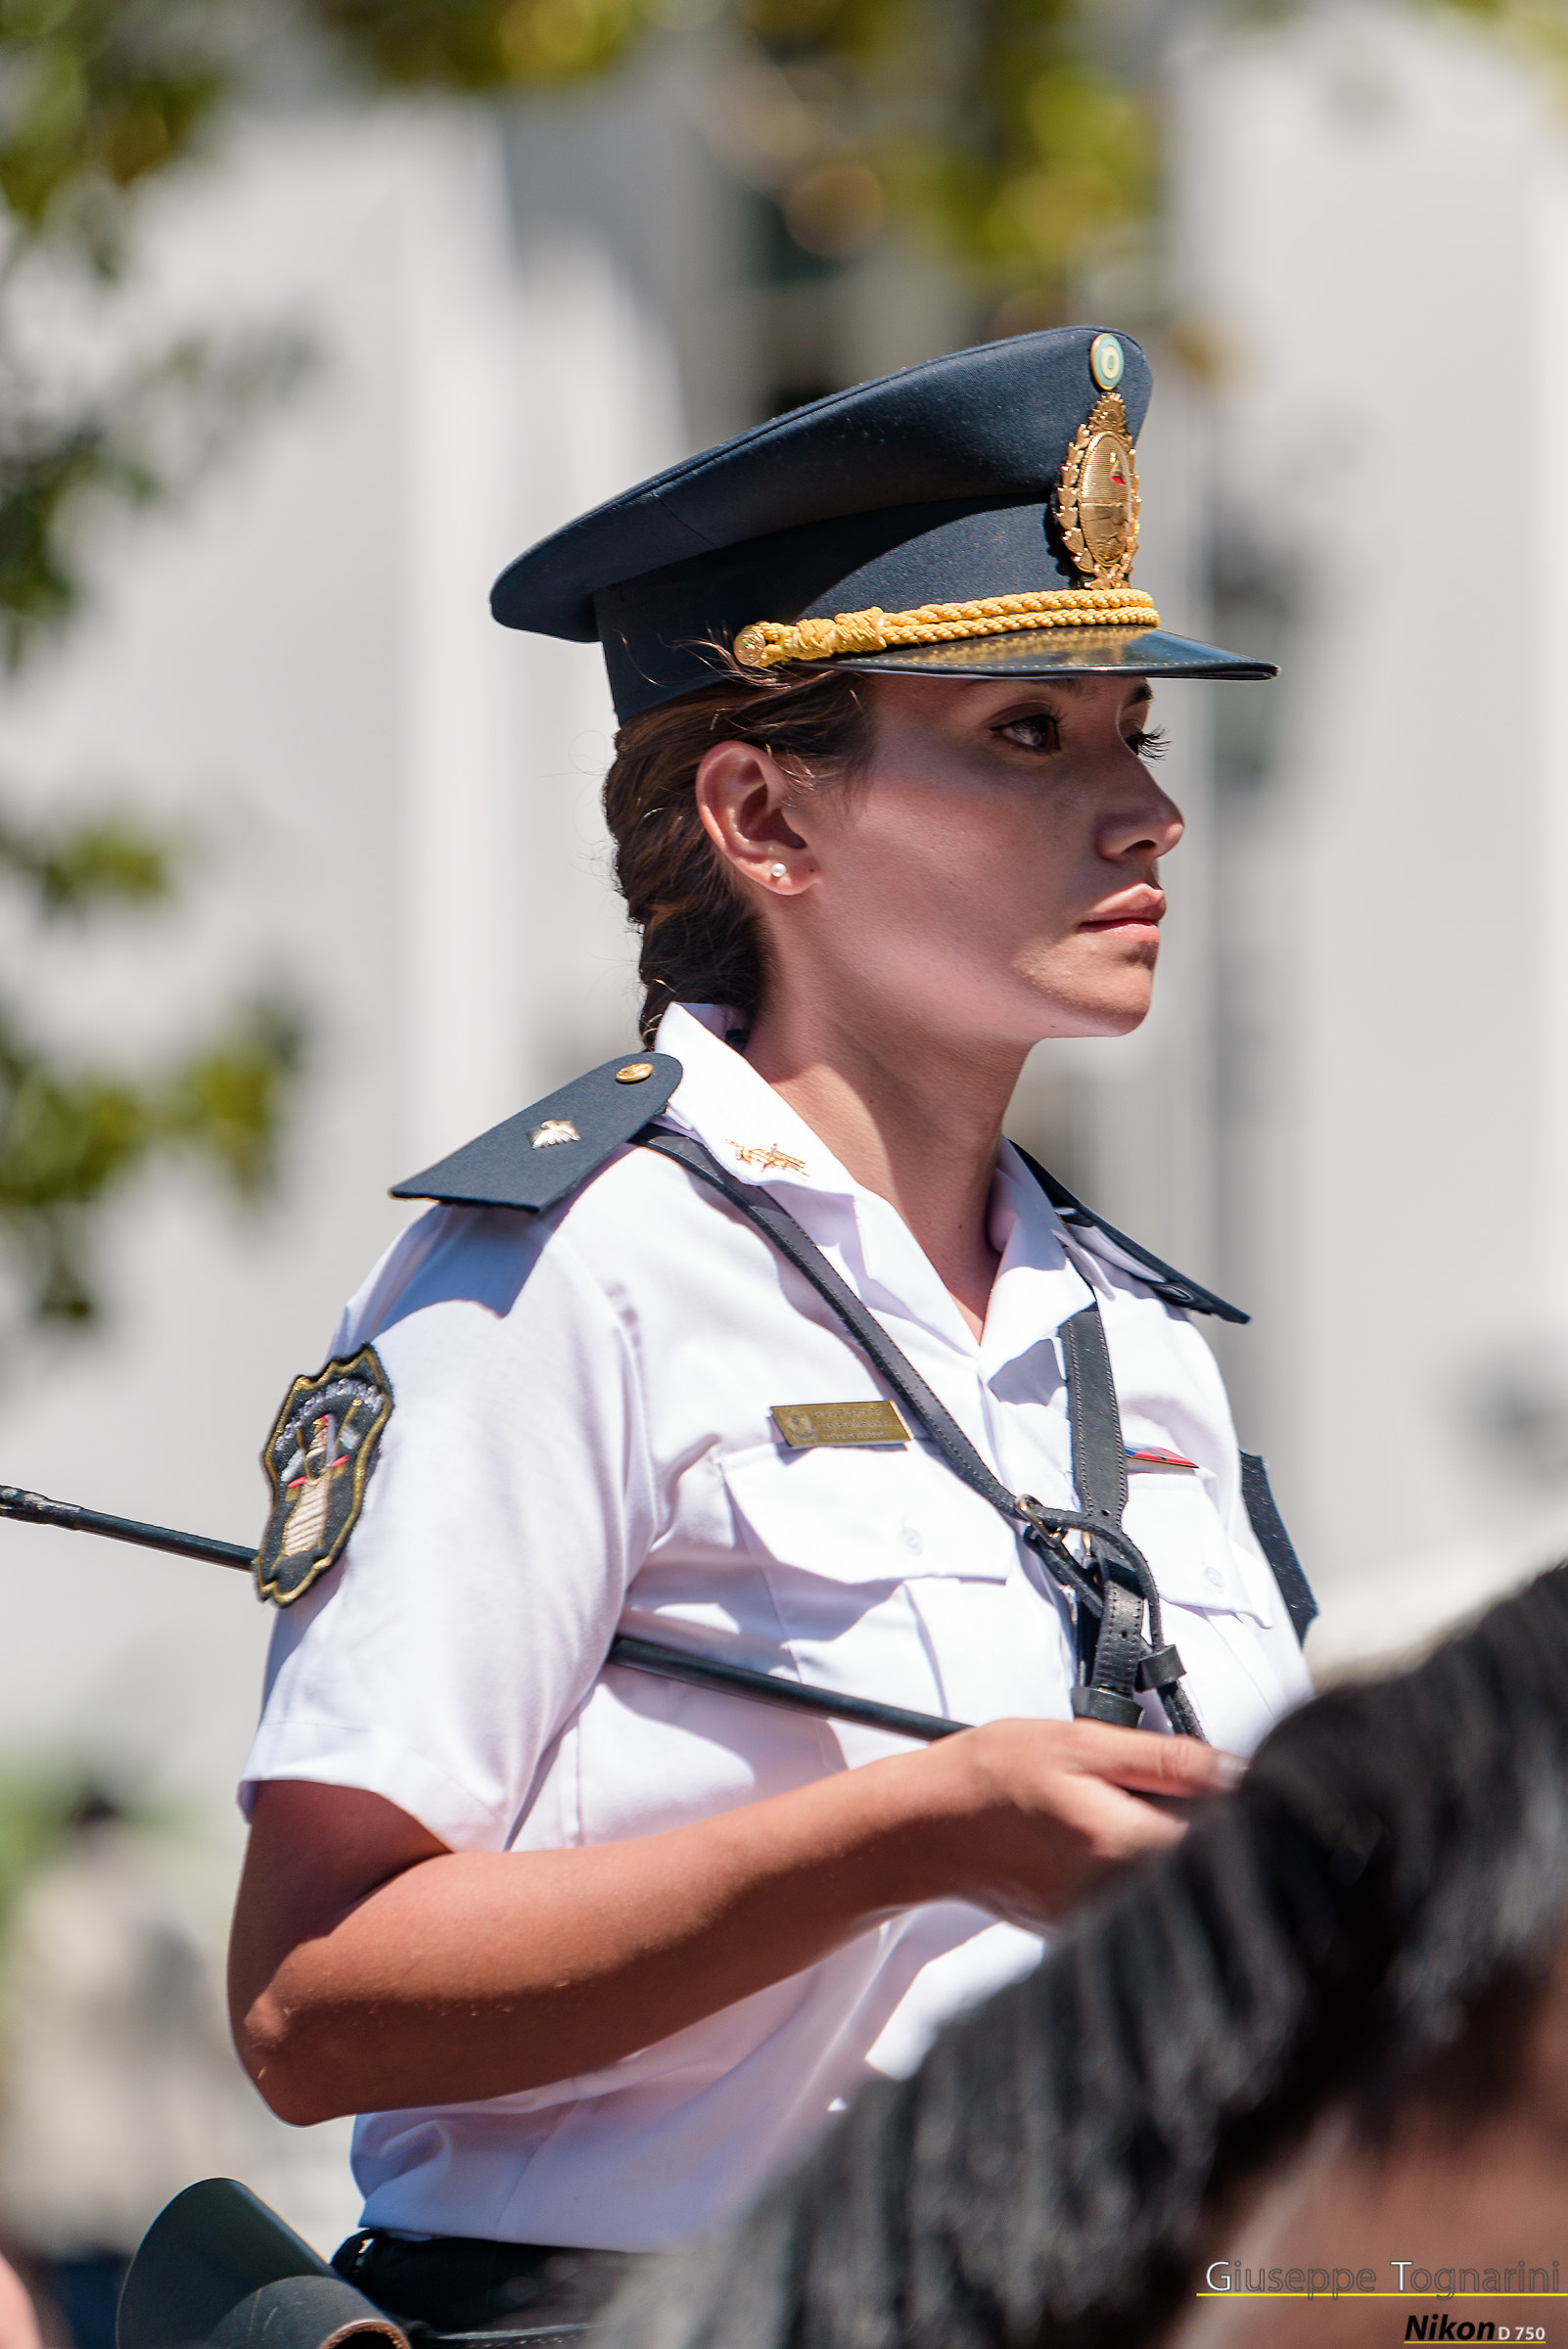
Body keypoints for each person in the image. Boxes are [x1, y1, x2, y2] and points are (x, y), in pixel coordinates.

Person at [227, 326, 1314, 2337]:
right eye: (1027, 736)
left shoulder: (1136, 1336)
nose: (1148, 813)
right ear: (762, 815)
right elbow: (312, 2002)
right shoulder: (572, 1274)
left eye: (1138, 733)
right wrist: (912, 1832)